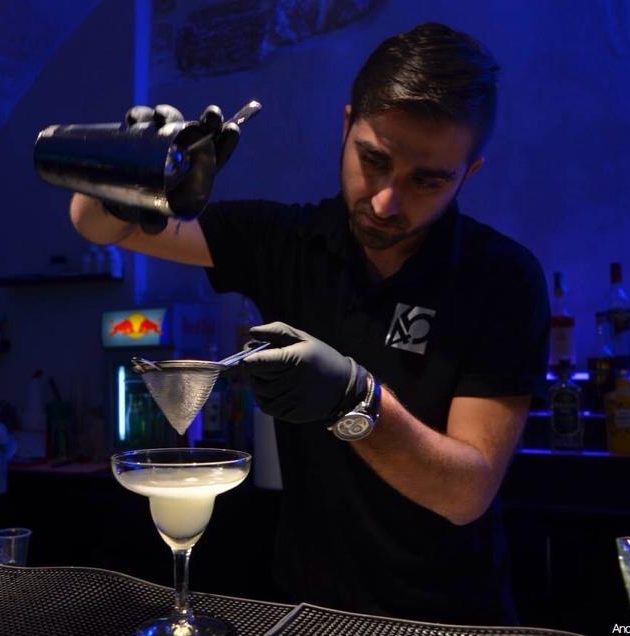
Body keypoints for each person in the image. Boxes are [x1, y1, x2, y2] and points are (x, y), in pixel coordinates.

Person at [69, 22, 550, 625]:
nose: (386, 201)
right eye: (374, 159)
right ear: (346, 125)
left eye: (427, 180)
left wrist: (355, 398)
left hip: (448, 618)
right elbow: (97, 225)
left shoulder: (501, 278)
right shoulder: (288, 243)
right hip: (306, 609)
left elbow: (466, 493)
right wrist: (131, 174)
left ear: (468, 173)